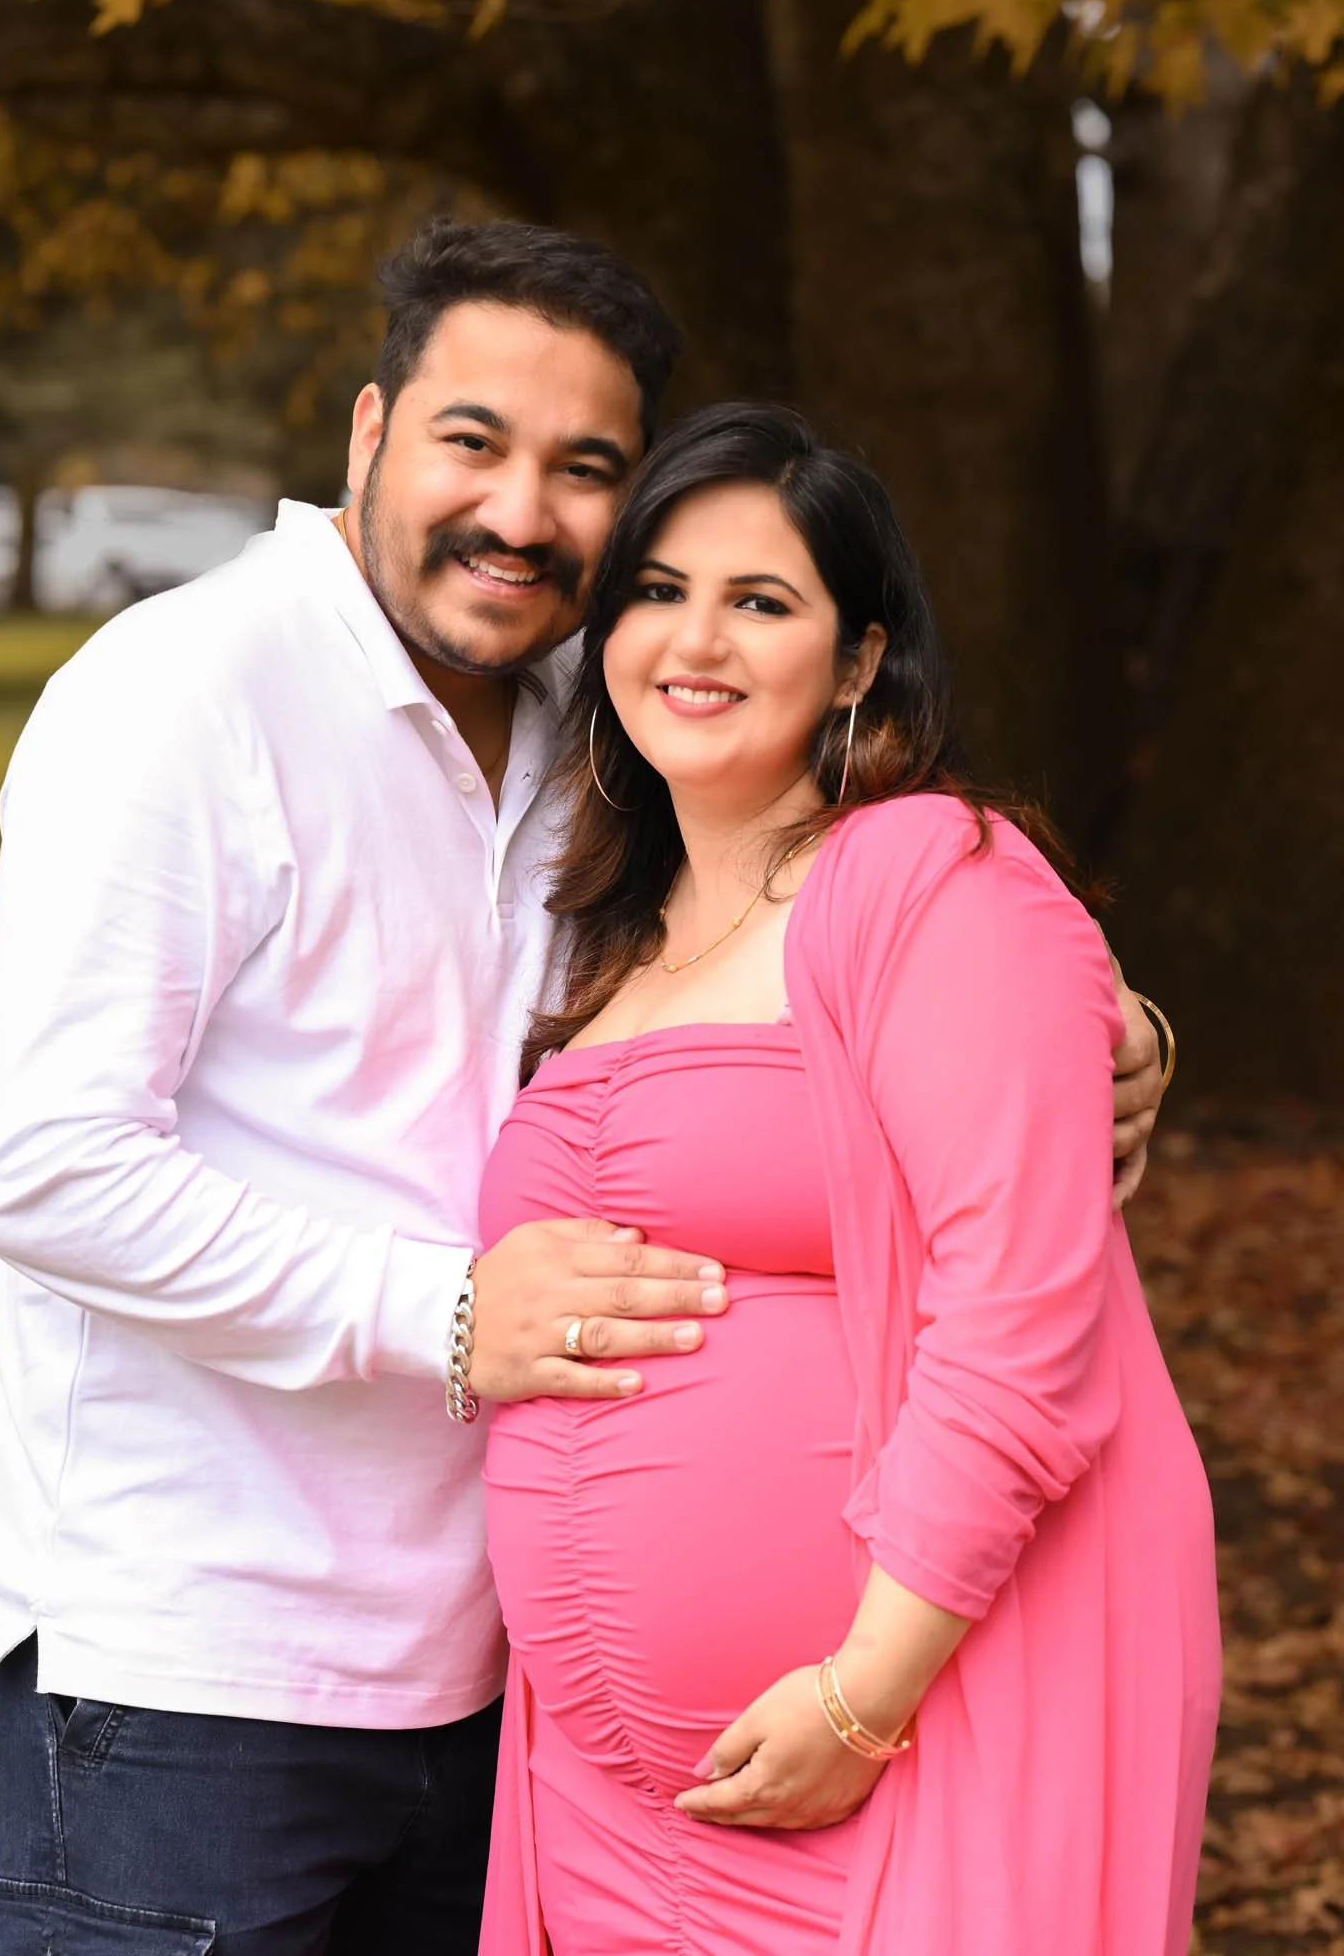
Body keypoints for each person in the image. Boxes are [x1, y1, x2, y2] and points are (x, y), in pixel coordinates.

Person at [0, 223, 1167, 1956]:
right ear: (367, 434)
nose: (520, 512)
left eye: (582, 470)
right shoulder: (183, 695)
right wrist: (449, 1314)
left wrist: (1114, 1029)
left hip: (491, 1695)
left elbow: (861, 902)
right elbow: (51, 1170)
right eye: (470, 443)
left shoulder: (591, 721)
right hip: (203, 1658)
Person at [474, 403, 1220, 1956]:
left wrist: (859, 1697)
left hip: (877, 1773)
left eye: (762, 602)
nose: (699, 638)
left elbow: (1020, 1323)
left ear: (860, 659)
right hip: (595, 1809)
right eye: (660, 590)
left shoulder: (924, 874)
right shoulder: (593, 937)